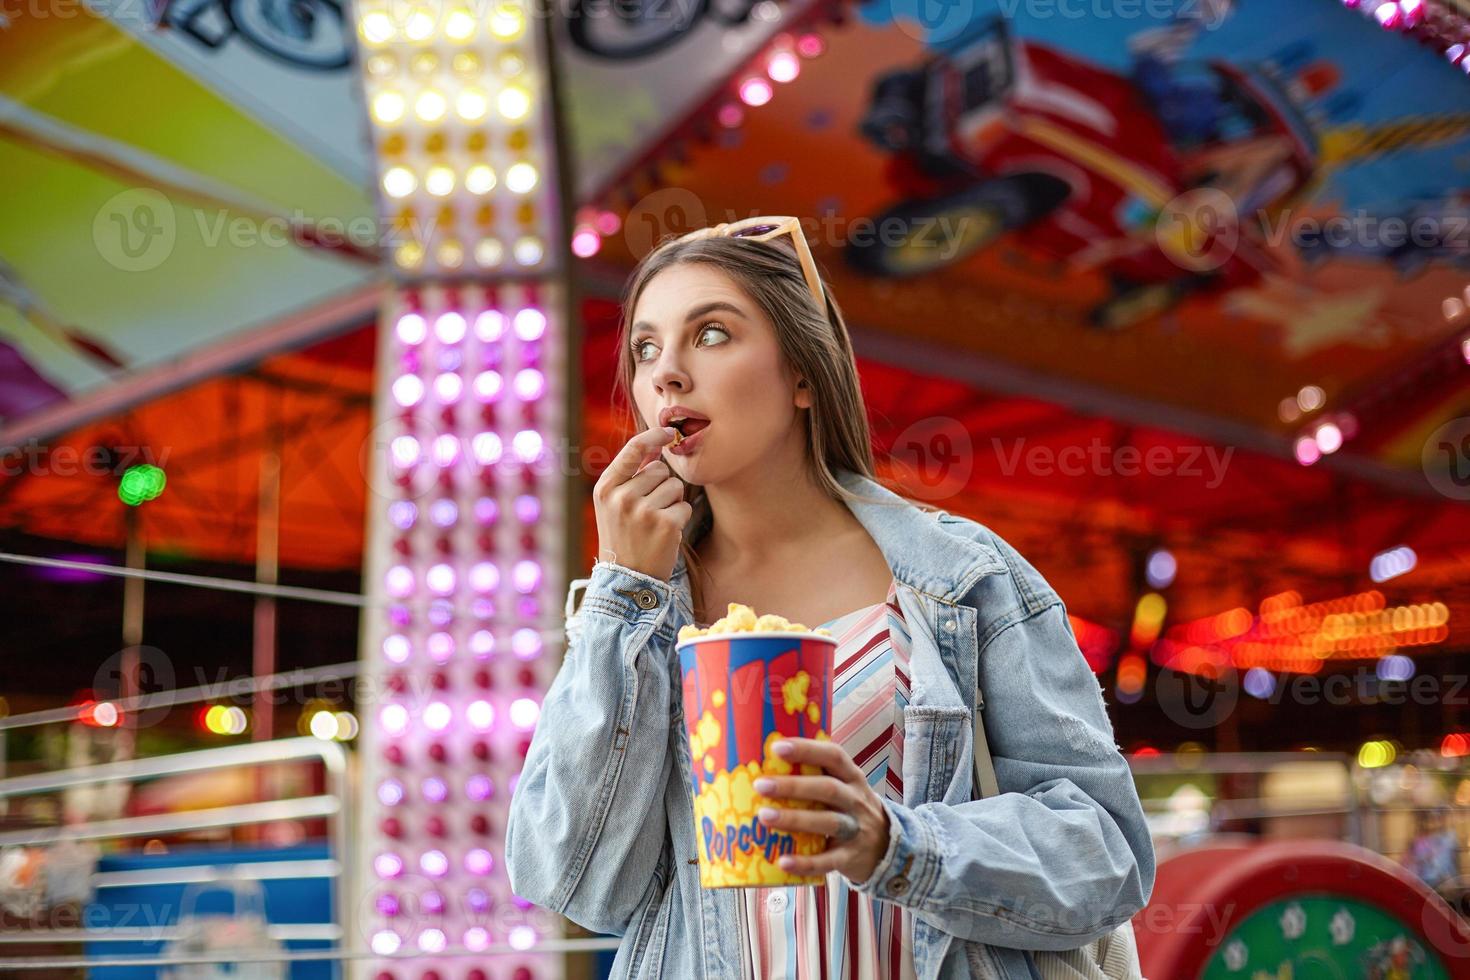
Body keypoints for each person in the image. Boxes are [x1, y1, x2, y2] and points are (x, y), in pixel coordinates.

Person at [505, 217, 1156, 979]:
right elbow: (569, 879)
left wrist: (896, 843)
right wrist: (624, 591)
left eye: (710, 334)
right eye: (646, 348)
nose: (666, 374)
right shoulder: (641, 607)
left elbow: (1107, 853)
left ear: (804, 375)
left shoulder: (963, 578)